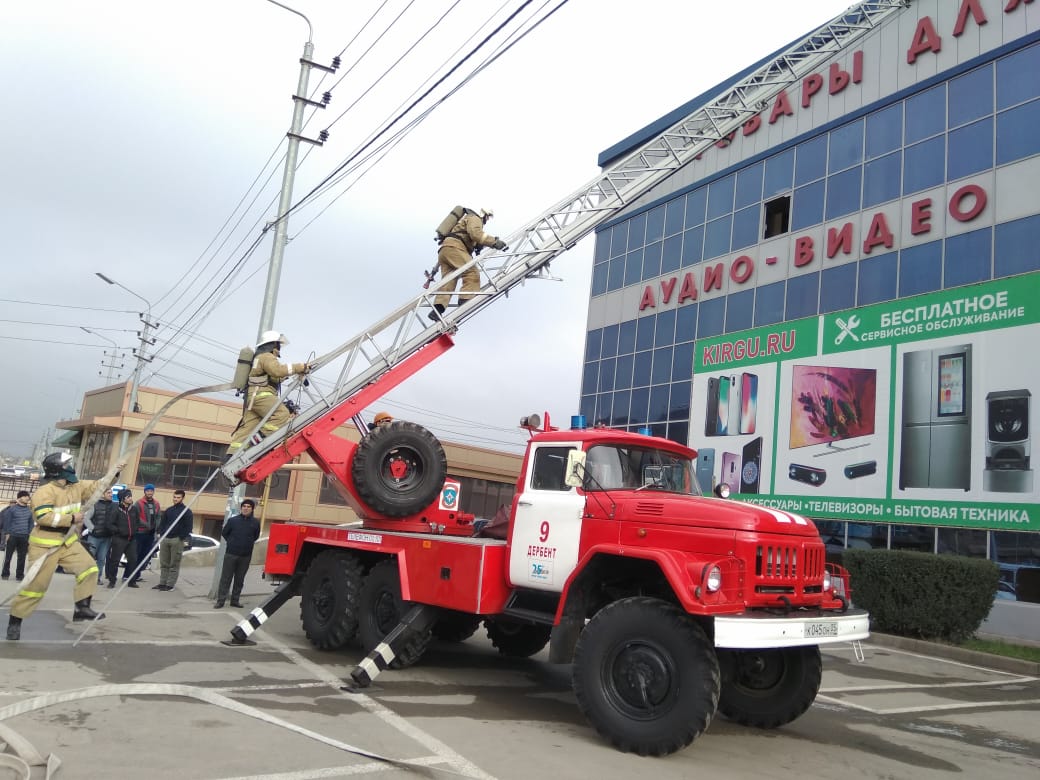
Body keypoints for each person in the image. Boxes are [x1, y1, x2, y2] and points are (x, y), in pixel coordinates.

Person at [6, 452, 120, 641]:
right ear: (58, 469)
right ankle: (15, 621)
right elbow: (43, 517)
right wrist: (71, 519)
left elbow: (97, 487)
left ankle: (81, 608)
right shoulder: (45, 491)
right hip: (45, 545)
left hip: (67, 542)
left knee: (90, 569)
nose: (70, 466)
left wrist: (114, 473)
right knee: (35, 588)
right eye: (67, 464)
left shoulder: (76, 487)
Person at [226, 331, 309, 456]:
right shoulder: (267, 357)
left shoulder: (259, 358)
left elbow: (273, 377)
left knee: (247, 429)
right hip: (262, 396)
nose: (279, 347)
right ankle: (258, 444)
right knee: (281, 414)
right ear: (273, 344)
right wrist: (300, 367)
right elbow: (277, 371)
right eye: (278, 344)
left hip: (254, 397)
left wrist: (287, 377)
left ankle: (230, 457)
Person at [429, 207, 508, 321]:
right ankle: (465, 300)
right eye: (488, 217)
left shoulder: (465, 219)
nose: (487, 220)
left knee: (449, 280)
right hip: (456, 248)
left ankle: (437, 310)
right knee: (472, 273)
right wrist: (495, 242)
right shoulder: (475, 218)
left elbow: (468, 236)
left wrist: (478, 246)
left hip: (445, 251)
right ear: (484, 215)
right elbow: (476, 234)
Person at [214, 498, 260, 609]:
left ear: (252, 509)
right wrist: (232, 542)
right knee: (226, 578)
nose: (246, 508)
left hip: (245, 556)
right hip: (231, 554)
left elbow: (256, 536)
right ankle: (220, 601)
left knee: (239, 579)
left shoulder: (255, 523)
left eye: (249, 507)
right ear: (241, 508)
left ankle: (235, 600)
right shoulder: (233, 521)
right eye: (244, 506)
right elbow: (225, 533)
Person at [154, 489, 193, 591]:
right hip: (165, 539)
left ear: (183, 498)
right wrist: (161, 534)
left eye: (178, 497)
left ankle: (170, 585)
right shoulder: (169, 510)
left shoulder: (187, 512)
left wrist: (180, 537)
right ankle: (162, 583)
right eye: (174, 497)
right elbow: (162, 523)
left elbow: (189, 527)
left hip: (176, 540)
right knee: (164, 563)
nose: (175, 499)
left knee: (174, 564)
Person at [128, 483, 160, 586]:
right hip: (140, 533)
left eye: (151, 491)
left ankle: (137, 575)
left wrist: (157, 526)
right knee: (136, 555)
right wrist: (146, 525)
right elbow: (136, 517)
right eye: (148, 491)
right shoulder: (139, 503)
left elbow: (158, 516)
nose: (149, 492)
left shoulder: (156, 503)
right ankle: (129, 576)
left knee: (144, 556)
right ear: (145, 492)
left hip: (151, 534)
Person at [87, 485, 121, 584]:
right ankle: (87, 577)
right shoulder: (95, 504)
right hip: (94, 537)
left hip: (107, 537)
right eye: (108, 493)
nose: (111, 494)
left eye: (111, 492)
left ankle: (97, 578)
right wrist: (92, 529)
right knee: (90, 557)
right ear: (102, 494)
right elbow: (86, 518)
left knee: (101, 559)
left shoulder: (115, 506)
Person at [105, 488, 137, 588]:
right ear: (123, 498)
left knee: (133, 560)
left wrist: (135, 531)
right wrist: (118, 531)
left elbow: (137, 522)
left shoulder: (134, 509)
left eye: (131, 496)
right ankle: (112, 581)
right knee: (115, 560)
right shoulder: (116, 509)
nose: (130, 498)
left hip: (131, 539)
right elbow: (109, 524)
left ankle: (132, 581)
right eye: (128, 497)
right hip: (119, 539)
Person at [1, 491, 33, 581]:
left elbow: (31, 524)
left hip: (24, 536)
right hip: (12, 536)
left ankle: (19, 575)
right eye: (25, 496)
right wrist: (7, 534)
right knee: (8, 556)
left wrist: (30, 534)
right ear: (19, 498)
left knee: (22, 557)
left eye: (28, 496)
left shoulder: (29, 510)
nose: (27, 498)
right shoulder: (12, 509)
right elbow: (7, 522)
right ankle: (5, 574)